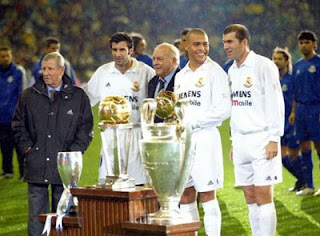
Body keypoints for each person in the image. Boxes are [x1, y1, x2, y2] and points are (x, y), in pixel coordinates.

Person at [12, 52, 93, 236]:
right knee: (36, 218)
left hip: (65, 169)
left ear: (62, 70)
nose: (46, 73)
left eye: (50, 69)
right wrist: (28, 149)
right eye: (44, 69)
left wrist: (71, 155)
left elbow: (86, 129)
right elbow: (18, 125)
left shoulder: (78, 96)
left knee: (63, 216)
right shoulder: (28, 96)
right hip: (36, 164)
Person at [223, 24, 284, 236]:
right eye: (224, 43)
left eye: (230, 42)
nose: (226, 47)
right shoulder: (231, 70)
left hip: (262, 138)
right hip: (241, 141)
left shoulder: (263, 65)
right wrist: (233, 141)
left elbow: (276, 102)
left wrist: (274, 138)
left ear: (244, 42)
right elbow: (236, 107)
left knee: (263, 195)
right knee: (249, 196)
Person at [175, 28, 231, 236]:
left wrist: (194, 122)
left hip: (205, 139)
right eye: (197, 44)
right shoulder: (181, 76)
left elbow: (224, 109)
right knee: (186, 194)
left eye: (205, 44)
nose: (202, 48)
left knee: (207, 194)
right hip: (183, 141)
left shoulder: (215, 72)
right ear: (186, 46)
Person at [84, 32, 155, 185]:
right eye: (114, 50)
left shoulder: (145, 72)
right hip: (110, 135)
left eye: (122, 50)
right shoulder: (103, 73)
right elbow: (86, 99)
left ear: (131, 50)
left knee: (137, 183)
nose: (118, 54)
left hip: (136, 134)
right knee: (109, 184)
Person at [289, 30, 320, 196]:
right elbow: (294, 91)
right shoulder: (298, 66)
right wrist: (293, 111)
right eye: (301, 43)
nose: (303, 45)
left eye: (307, 42)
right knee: (304, 146)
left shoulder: (319, 63)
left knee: (318, 146)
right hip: (301, 110)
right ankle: (309, 185)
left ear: (314, 44)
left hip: (316, 108)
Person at [272, 47, 305, 192]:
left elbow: (296, 98)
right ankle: (302, 179)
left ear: (286, 61)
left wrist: (293, 113)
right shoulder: (272, 79)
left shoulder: (292, 78)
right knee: (281, 156)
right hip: (277, 120)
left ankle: (305, 180)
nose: (276, 61)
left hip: (291, 120)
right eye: (274, 59)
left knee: (292, 154)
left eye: (280, 59)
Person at [0, 46, 27, 179]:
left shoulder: (19, 71)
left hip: (16, 116)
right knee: (5, 145)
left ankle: (24, 172)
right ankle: (7, 171)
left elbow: (23, 93)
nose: (5, 58)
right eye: (2, 56)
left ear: (11, 56)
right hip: (1, 117)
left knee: (20, 146)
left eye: (7, 56)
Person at [148, 43, 180, 123]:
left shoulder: (183, 80)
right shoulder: (152, 82)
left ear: (174, 61)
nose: (155, 63)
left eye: (160, 59)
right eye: (154, 59)